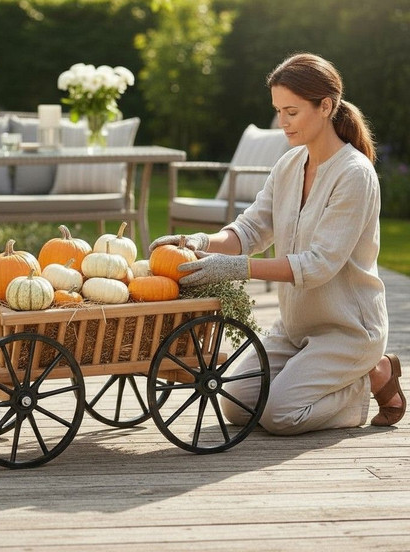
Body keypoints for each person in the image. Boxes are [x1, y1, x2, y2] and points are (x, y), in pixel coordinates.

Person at [150, 52, 406, 435]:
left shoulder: (355, 174)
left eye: (292, 111)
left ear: (326, 107)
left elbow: (318, 265)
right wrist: (198, 240)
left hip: (348, 330)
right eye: (278, 111)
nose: (282, 123)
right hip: (296, 326)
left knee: (279, 415)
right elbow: (250, 229)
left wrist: (239, 268)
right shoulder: (289, 165)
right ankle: (332, 375)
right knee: (237, 404)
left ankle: (367, 378)